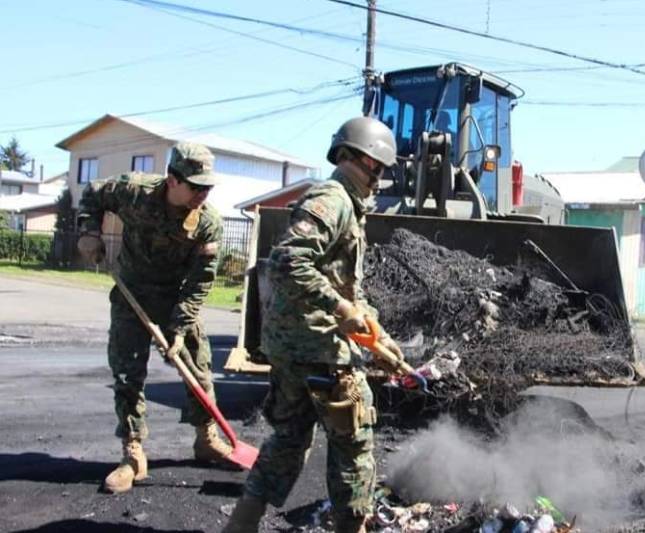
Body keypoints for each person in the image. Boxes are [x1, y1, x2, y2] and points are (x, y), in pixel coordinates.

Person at [223, 116, 405, 533]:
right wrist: (341, 310)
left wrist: (382, 340)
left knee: (288, 438)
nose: (379, 181)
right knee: (354, 442)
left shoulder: (344, 203)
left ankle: (240, 526)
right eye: (379, 170)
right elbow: (289, 261)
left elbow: (346, 289)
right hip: (319, 349)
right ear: (364, 160)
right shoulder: (333, 199)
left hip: (294, 347)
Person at [77, 142, 232, 494]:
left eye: (208, 187)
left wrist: (179, 328)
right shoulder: (133, 192)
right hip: (131, 293)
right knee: (128, 373)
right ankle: (133, 453)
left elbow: (200, 281)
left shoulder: (208, 223)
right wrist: (89, 232)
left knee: (198, 369)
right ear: (172, 180)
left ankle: (205, 438)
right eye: (196, 186)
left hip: (176, 298)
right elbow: (92, 195)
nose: (202, 195)